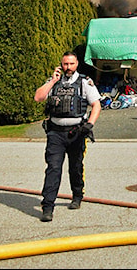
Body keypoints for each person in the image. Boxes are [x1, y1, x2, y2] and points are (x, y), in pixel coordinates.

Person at [33, 51, 102, 223]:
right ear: (61, 64)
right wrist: (53, 80)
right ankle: (48, 207)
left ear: (76, 64)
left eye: (71, 64)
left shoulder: (85, 82)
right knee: (53, 168)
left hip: (76, 132)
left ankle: (77, 195)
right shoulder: (54, 82)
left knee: (75, 167)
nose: (68, 67)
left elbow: (96, 105)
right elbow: (38, 97)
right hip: (55, 133)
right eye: (65, 64)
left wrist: (90, 125)